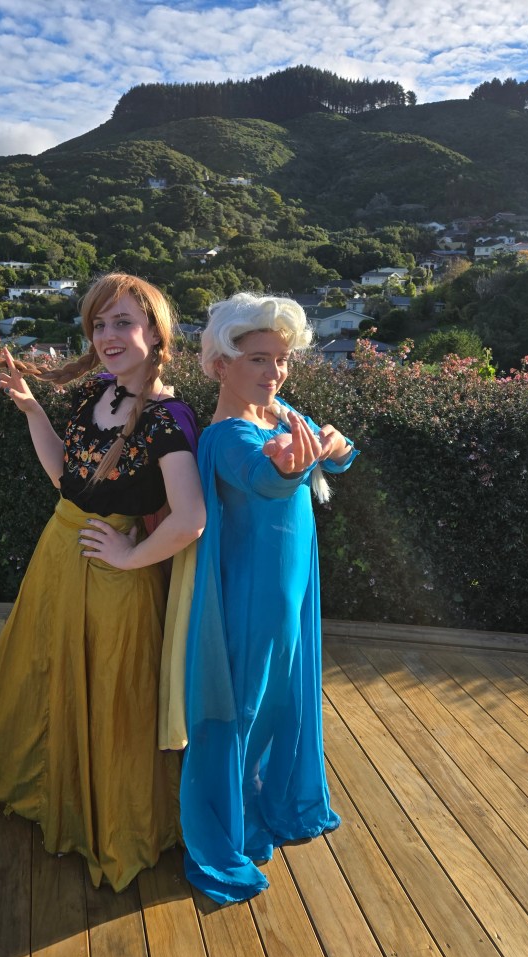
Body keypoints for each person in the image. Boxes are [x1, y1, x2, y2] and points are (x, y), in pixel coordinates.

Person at [0, 272, 205, 892]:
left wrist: (129, 558)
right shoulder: (96, 396)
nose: (108, 335)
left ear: (155, 332)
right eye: (99, 324)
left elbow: (191, 518)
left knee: (108, 695)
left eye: (123, 322)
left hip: (112, 581)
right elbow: (67, 477)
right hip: (58, 555)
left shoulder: (168, 419)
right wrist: (33, 409)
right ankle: (22, 779)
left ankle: (107, 824)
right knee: (41, 672)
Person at [179, 292, 358, 904]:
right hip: (255, 594)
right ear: (221, 364)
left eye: (282, 359)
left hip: (294, 586)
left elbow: (342, 456)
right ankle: (231, 816)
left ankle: (270, 797)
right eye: (259, 359)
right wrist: (287, 469)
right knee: (246, 704)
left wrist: (332, 444)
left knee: (284, 696)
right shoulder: (229, 436)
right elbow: (263, 477)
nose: (275, 372)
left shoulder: (276, 413)